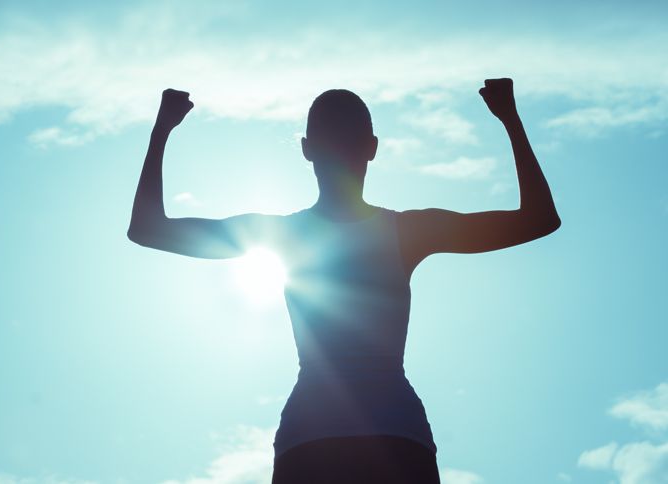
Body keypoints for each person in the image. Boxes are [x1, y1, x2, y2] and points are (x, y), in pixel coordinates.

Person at [127, 80, 560, 483]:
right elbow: (539, 218)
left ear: (306, 149)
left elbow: (148, 228)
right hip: (391, 438)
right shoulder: (409, 232)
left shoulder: (284, 235)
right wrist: (510, 118)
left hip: (315, 439)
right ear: (371, 148)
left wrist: (163, 129)